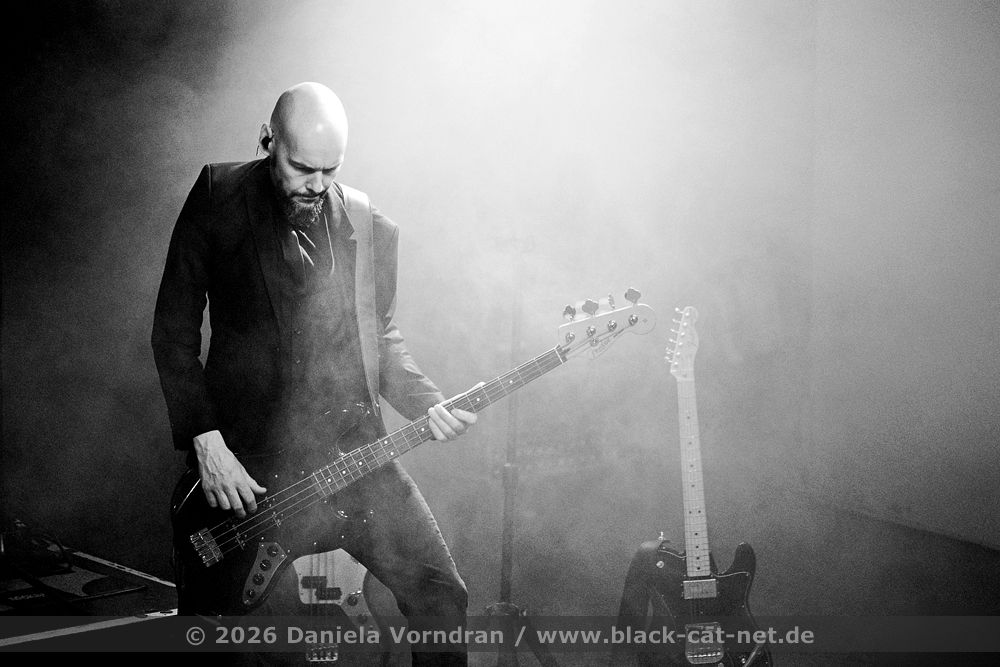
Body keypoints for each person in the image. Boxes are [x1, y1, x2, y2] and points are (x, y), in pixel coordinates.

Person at [152, 81, 477, 666]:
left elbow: (379, 336)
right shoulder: (218, 196)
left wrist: (426, 401)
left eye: (331, 169)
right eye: (303, 168)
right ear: (267, 140)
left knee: (442, 596)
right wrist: (206, 440)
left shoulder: (369, 225)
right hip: (253, 465)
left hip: (354, 458)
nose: (318, 184)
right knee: (230, 637)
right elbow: (173, 332)